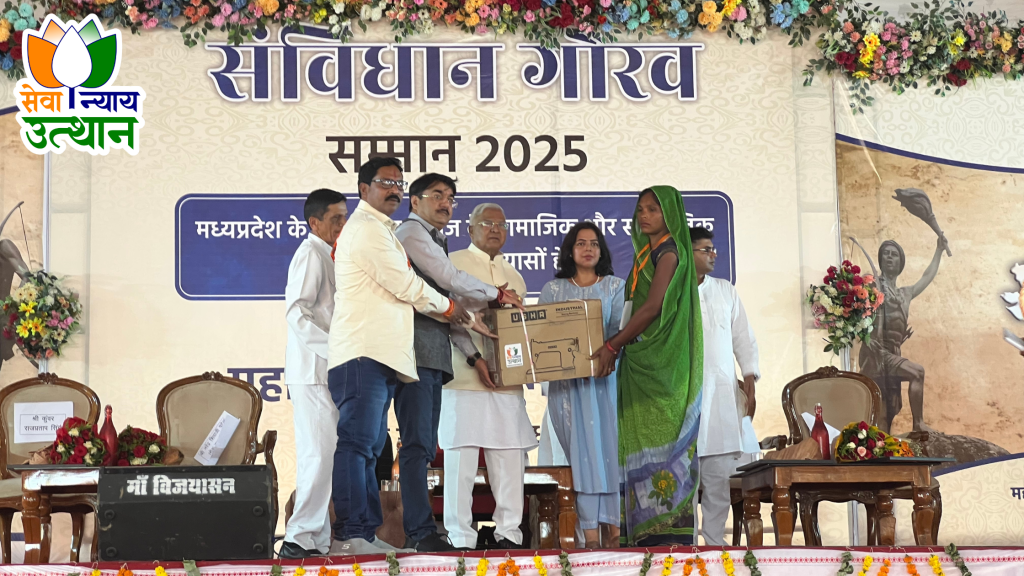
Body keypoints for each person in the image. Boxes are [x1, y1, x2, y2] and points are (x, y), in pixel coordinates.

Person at [328, 157, 474, 555]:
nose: (393, 189)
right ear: (363, 190)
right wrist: (448, 308)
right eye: (384, 183)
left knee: (372, 450)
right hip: (362, 352)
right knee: (357, 445)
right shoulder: (367, 231)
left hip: (380, 356)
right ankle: (350, 534)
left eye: (398, 182)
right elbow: (406, 285)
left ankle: (364, 532)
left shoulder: (383, 230)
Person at [393, 174, 523, 552]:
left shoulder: (514, 272)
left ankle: (508, 534)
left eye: (451, 196)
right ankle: (453, 535)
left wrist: (481, 353)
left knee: (507, 452)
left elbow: (458, 313)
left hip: (493, 376)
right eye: (438, 195)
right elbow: (450, 287)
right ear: (415, 201)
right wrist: (493, 302)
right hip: (448, 370)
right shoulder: (440, 252)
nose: (445, 202)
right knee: (452, 456)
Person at [590, 186, 703, 546]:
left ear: (669, 213)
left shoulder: (668, 253)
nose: (644, 216)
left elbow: (652, 308)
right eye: (641, 209)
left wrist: (613, 344)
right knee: (639, 440)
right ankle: (642, 535)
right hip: (641, 360)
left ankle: (667, 537)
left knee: (664, 443)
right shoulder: (647, 253)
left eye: (653, 209)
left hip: (662, 368)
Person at [439, 203, 538, 550]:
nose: (495, 229)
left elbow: (522, 331)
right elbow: (450, 317)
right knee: (461, 462)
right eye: (487, 223)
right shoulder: (454, 266)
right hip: (464, 376)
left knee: (510, 459)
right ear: (470, 229)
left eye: (501, 224)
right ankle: (460, 536)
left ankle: (508, 534)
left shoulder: (517, 276)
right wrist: (475, 357)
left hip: (506, 383)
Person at [538, 222, 625, 549]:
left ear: (601, 251)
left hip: (608, 382)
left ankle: (614, 533)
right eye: (580, 243)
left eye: (594, 244)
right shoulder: (553, 291)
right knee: (582, 457)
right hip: (569, 389)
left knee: (610, 454)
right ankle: (589, 535)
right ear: (570, 251)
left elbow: (622, 331)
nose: (587, 249)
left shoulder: (616, 287)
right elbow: (542, 339)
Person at [281, 189, 348, 559]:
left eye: (344, 216)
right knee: (317, 455)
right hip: (314, 369)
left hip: (328, 368)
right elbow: (297, 312)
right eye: (335, 218)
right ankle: (298, 537)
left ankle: (317, 539)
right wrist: (335, 350)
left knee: (327, 454)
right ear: (315, 222)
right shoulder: (310, 253)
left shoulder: (331, 254)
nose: (342, 224)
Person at [689, 226, 760, 547]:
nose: (712, 254)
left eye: (713, 249)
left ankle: (715, 549)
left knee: (718, 484)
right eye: (705, 249)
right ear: (686, 253)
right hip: (684, 400)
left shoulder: (726, 290)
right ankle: (685, 551)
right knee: (683, 485)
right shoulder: (672, 292)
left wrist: (749, 379)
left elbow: (743, 338)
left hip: (721, 399)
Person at [851, 235, 947, 432]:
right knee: (917, 372)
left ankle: (883, 448)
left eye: (894, 254)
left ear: (900, 262)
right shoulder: (872, 286)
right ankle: (919, 424)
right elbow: (855, 313)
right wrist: (866, 336)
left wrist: (939, 251)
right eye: (885, 253)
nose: (889, 257)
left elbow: (927, 276)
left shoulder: (905, 293)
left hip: (894, 353)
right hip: (877, 354)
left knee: (888, 410)